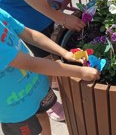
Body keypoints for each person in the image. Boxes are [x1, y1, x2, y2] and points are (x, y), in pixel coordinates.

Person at [0, 7, 100, 135]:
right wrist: (80, 72)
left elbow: (31, 35)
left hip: (37, 86)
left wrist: (65, 53)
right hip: (14, 107)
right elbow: (31, 64)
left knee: (42, 114)